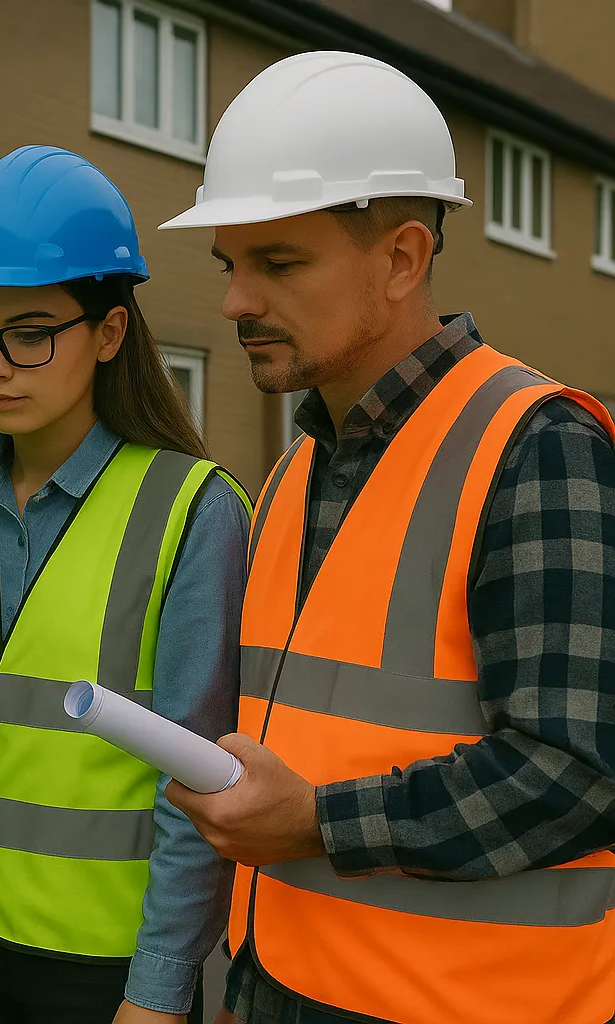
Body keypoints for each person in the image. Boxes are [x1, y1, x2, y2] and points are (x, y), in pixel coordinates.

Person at [157, 51, 615, 1024]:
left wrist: (317, 823)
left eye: (279, 263)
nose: (236, 302)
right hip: (285, 986)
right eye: (231, 265)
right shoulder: (294, 472)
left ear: (404, 259)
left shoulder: (538, 447)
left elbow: (577, 774)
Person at [0, 145, 248, 1024]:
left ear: (110, 333)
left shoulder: (193, 508)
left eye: (30, 334)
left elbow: (195, 780)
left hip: (100, 966)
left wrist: (159, 986)